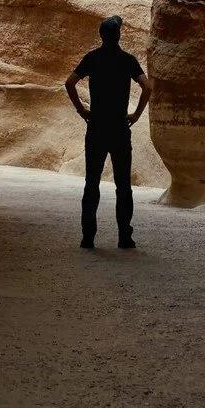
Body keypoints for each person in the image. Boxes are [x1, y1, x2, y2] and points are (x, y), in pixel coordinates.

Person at [65, 14, 151, 250]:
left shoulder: (92, 58)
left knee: (91, 183)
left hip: (97, 127)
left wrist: (82, 110)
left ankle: (88, 237)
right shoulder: (127, 60)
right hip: (120, 128)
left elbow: (69, 83)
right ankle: (124, 236)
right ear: (118, 35)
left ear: (101, 36)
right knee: (123, 185)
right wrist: (136, 114)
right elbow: (148, 86)